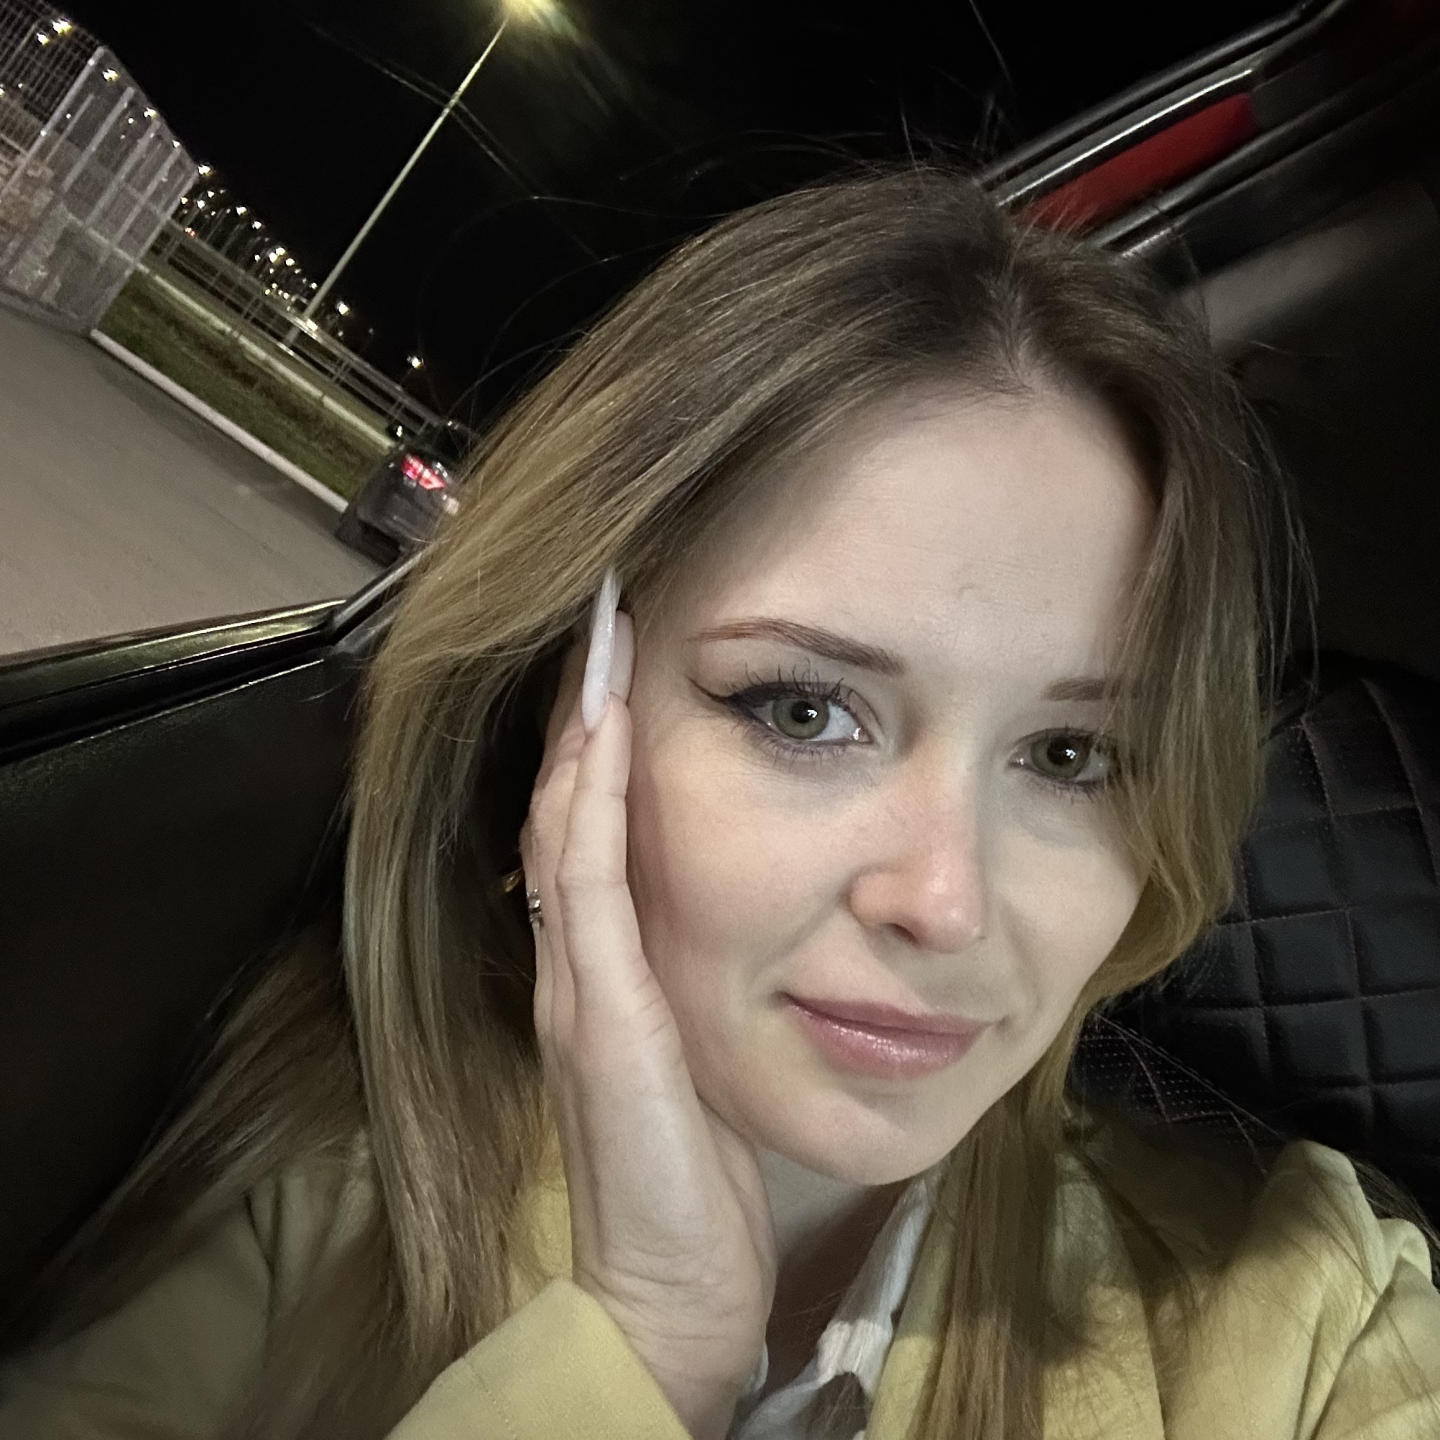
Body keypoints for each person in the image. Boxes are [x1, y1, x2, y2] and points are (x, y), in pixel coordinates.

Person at [2, 165, 1439, 1440]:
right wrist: (642, 1345)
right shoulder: (304, 1213)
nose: (945, 902)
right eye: (805, 711)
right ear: (573, 704)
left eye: (1071, 758)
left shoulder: (1308, 1329)